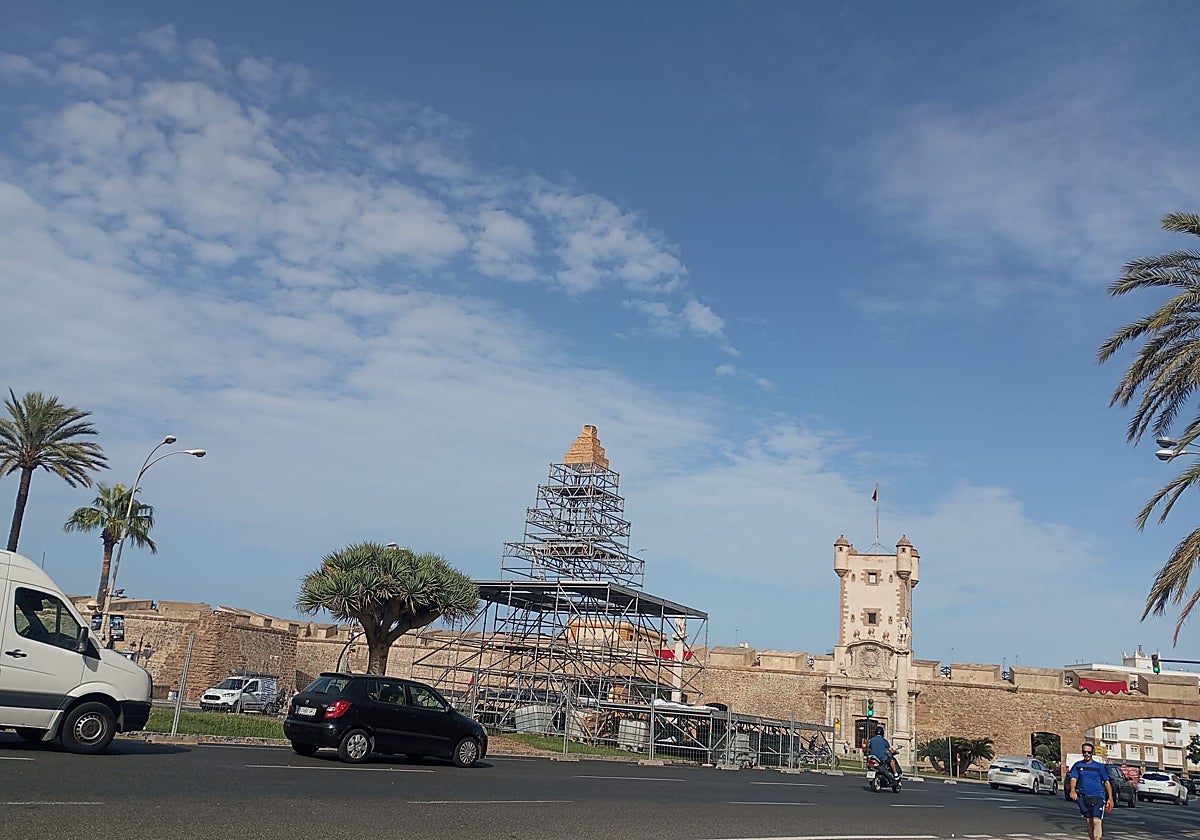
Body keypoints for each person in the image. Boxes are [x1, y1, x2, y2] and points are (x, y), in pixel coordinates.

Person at [1068, 742, 1114, 840]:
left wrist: (1110, 798)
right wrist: (1072, 790)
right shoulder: (1077, 765)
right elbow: (1073, 778)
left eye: (1089, 752)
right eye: (1084, 752)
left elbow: (1107, 782)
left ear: (1092, 753)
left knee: (1096, 821)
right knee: (1089, 821)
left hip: (1098, 797)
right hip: (1084, 797)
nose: (1086, 754)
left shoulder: (1099, 767)